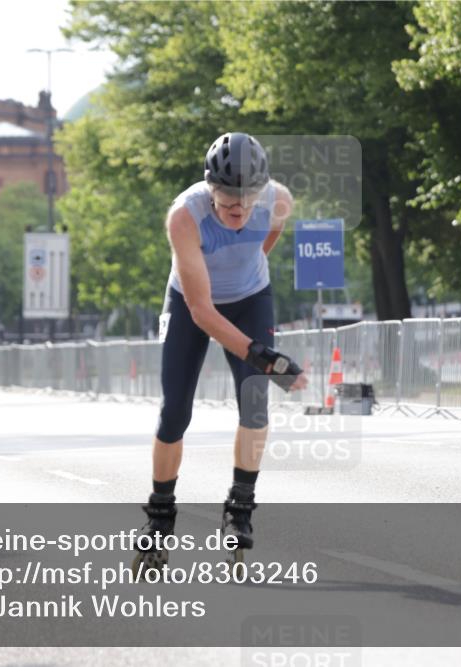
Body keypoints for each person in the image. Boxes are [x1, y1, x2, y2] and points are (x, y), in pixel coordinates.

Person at [133, 132, 309, 574]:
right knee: (175, 411)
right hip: (193, 302)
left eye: (249, 199)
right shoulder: (184, 217)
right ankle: (159, 515)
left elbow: (267, 237)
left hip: (250, 297)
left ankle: (240, 505)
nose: (240, 208)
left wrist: (246, 265)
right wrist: (264, 357)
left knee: (255, 403)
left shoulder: (277, 201)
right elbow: (202, 312)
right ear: (210, 188)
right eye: (229, 199)